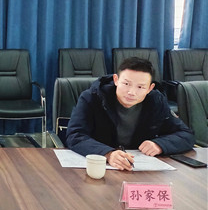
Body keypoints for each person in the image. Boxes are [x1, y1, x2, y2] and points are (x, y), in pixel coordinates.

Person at [66, 57, 194, 170]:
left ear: (150, 88)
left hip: (138, 169)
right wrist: (107, 153)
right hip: (100, 167)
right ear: (116, 80)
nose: (131, 92)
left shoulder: (156, 101)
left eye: (140, 87)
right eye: (126, 84)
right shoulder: (92, 97)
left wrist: (160, 144)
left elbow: (185, 134)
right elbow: (75, 135)